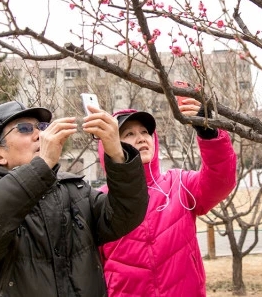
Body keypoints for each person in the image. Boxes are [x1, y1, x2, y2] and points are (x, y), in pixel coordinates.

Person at [0, 100, 149, 296]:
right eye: (25, 128)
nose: (41, 135)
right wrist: (42, 165)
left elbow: (125, 215)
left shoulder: (73, 189)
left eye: (42, 127)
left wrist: (117, 154)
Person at [97, 98, 237, 296]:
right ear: (109, 146)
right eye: (129, 134)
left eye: (145, 132)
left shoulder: (179, 184)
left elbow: (221, 181)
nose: (141, 138)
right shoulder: (100, 201)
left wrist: (209, 133)